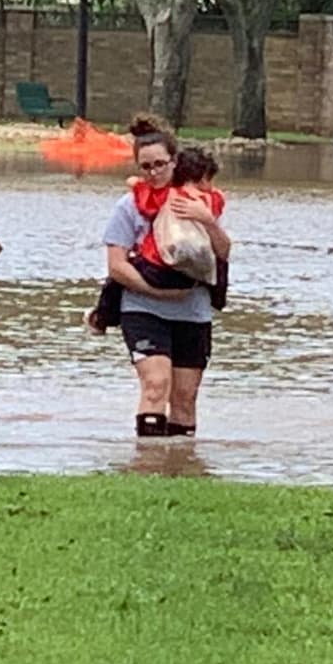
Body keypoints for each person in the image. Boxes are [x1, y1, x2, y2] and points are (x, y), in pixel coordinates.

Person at [101, 114, 231, 438]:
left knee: (185, 397)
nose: (154, 173)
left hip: (193, 309)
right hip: (143, 307)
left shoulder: (197, 202)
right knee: (156, 384)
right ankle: (148, 465)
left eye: (160, 164)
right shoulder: (129, 206)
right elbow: (116, 265)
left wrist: (209, 222)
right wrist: (154, 292)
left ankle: (180, 469)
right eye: (146, 167)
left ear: (175, 162)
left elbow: (224, 252)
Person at [85, 147, 224, 335]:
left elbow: (145, 202)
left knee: (117, 278)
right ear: (203, 178)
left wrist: (135, 183)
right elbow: (222, 246)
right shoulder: (211, 200)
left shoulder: (167, 196)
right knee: (219, 266)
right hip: (194, 272)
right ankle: (218, 296)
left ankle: (102, 317)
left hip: (159, 265)